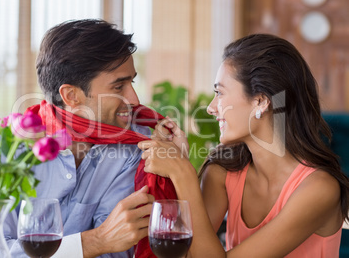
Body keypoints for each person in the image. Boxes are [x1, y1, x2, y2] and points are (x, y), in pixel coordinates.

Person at [0, 19, 176, 258]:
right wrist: (94, 242)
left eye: (131, 82)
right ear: (71, 95)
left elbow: (118, 248)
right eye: (118, 87)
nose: (133, 99)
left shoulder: (133, 147)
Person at [139, 34, 349, 257]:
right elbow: (188, 253)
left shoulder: (319, 189)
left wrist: (183, 173)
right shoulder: (223, 172)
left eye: (219, 93)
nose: (211, 108)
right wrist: (178, 167)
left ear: (260, 101)